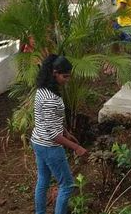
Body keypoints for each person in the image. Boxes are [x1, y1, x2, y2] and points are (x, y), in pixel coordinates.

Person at [31, 54, 87, 214]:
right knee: (67, 185)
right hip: (50, 147)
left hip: (38, 141)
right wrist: (76, 147)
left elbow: (49, 121)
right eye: (65, 76)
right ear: (54, 72)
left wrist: (66, 132)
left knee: (43, 180)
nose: (67, 80)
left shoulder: (42, 89)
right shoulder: (51, 99)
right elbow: (53, 135)